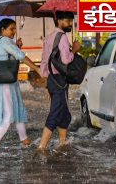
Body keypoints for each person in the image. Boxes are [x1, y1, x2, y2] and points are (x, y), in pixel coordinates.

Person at [0, 18, 42, 152]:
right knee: (9, 115)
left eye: (15, 29)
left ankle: (24, 140)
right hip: (5, 83)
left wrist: (17, 46)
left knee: (17, 111)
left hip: (3, 82)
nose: (14, 31)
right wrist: (37, 68)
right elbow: (20, 56)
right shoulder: (4, 41)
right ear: (3, 29)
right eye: (11, 29)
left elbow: (7, 58)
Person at [37, 11, 81, 155]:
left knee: (64, 114)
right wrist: (74, 49)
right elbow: (66, 60)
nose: (70, 24)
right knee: (56, 113)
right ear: (59, 20)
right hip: (60, 81)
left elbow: (44, 62)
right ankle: (41, 148)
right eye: (67, 21)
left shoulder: (49, 37)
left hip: (52, 79)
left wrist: (47, 83)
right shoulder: (62, 37)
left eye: (71, 21)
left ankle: (63, 143)